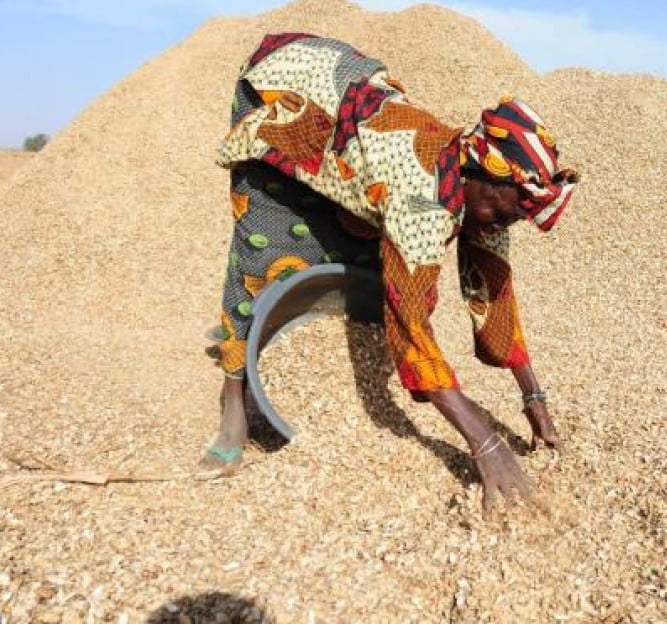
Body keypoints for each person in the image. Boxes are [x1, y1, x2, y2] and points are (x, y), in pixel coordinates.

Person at [200, 33, 578, 508]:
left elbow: (493, 293)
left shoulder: (486, 197)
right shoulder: (421, 196)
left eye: (524, 213)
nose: (513, 219)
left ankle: (283, 319)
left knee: (361, 244)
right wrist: (482, 439)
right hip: (282, 88)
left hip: (349, 104)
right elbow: (411, 322)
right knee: (267, 241)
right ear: (483, 171)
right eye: (512, 207)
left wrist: (533, 398)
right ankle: (233, 397)